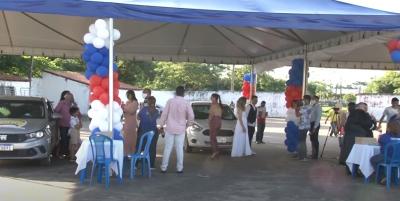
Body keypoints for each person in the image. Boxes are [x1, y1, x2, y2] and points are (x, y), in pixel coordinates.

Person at [159, 86, 194, 173]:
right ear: (183, 93)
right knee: (179, 149)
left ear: (176, 92)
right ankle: (179, 168)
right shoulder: (186, 103)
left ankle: (164, 167)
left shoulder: (170, 101)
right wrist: (188, 124)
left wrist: (161, 125)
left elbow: (164, 114)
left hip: (170, 128)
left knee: (167, 148)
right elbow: (191, 116)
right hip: (181, 128)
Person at [370, 115, 400, 183]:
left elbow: (379, 142)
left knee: (373, 159)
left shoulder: (383, 137)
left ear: (389, 127)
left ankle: (383, 177)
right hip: (398, 159)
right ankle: (391, 176)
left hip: (387, 158)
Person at [137, 96, 160, 169]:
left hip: (143, 131)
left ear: (148, 102)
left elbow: (138, 117)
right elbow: (158, 122)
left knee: (140, 147)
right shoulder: (157, 111)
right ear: (155, 102)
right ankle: (151, 165)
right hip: (153, 132)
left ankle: (136, 164)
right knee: (152, 148)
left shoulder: (144, 109)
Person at [54, 90, 73, 159]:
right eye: (67, 94)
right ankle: (61, 153)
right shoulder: (62, 103)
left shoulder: (72, 104)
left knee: (70, 140)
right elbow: (56, 111)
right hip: (63, 125)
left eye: (70, 94)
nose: (69, 95)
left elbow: (77, 113)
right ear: (64, 96)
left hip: (72, 125)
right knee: (63, 139)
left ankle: (68, 153)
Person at [122, 90, 139, 156]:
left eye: (128, 95)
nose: (128, 96)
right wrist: (124, 108)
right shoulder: (127, 102)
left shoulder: (135, 102)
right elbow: (125, 111)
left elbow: (131, 111)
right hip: (127, 121)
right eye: (127, 95)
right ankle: (125, 153)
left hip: (131, 122)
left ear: (132, 95)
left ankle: (131, 153)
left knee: (131, 138)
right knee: (126, 137)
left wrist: (124, 107)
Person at [297, 95, 312, 161]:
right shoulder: (309, 107)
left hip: (303, 126)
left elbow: (297, 114)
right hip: (305, 125)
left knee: (301, 142)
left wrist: (297, 107)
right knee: (302, 141)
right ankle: (302, 156)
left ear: (308, 100)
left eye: (304, 99)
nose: (303, 100)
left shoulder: (305, 107)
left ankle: (303, 157)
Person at [208, 93, 223, 159]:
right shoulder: (219, 105)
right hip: (219, 121)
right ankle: (217, 152)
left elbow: (211, 115)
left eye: (211, 97)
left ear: (214, 98)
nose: (210, 98)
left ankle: (215, 152)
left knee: (212, 138)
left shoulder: (213, 105)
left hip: (214, 121)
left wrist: (209, 122)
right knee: (214, 137)